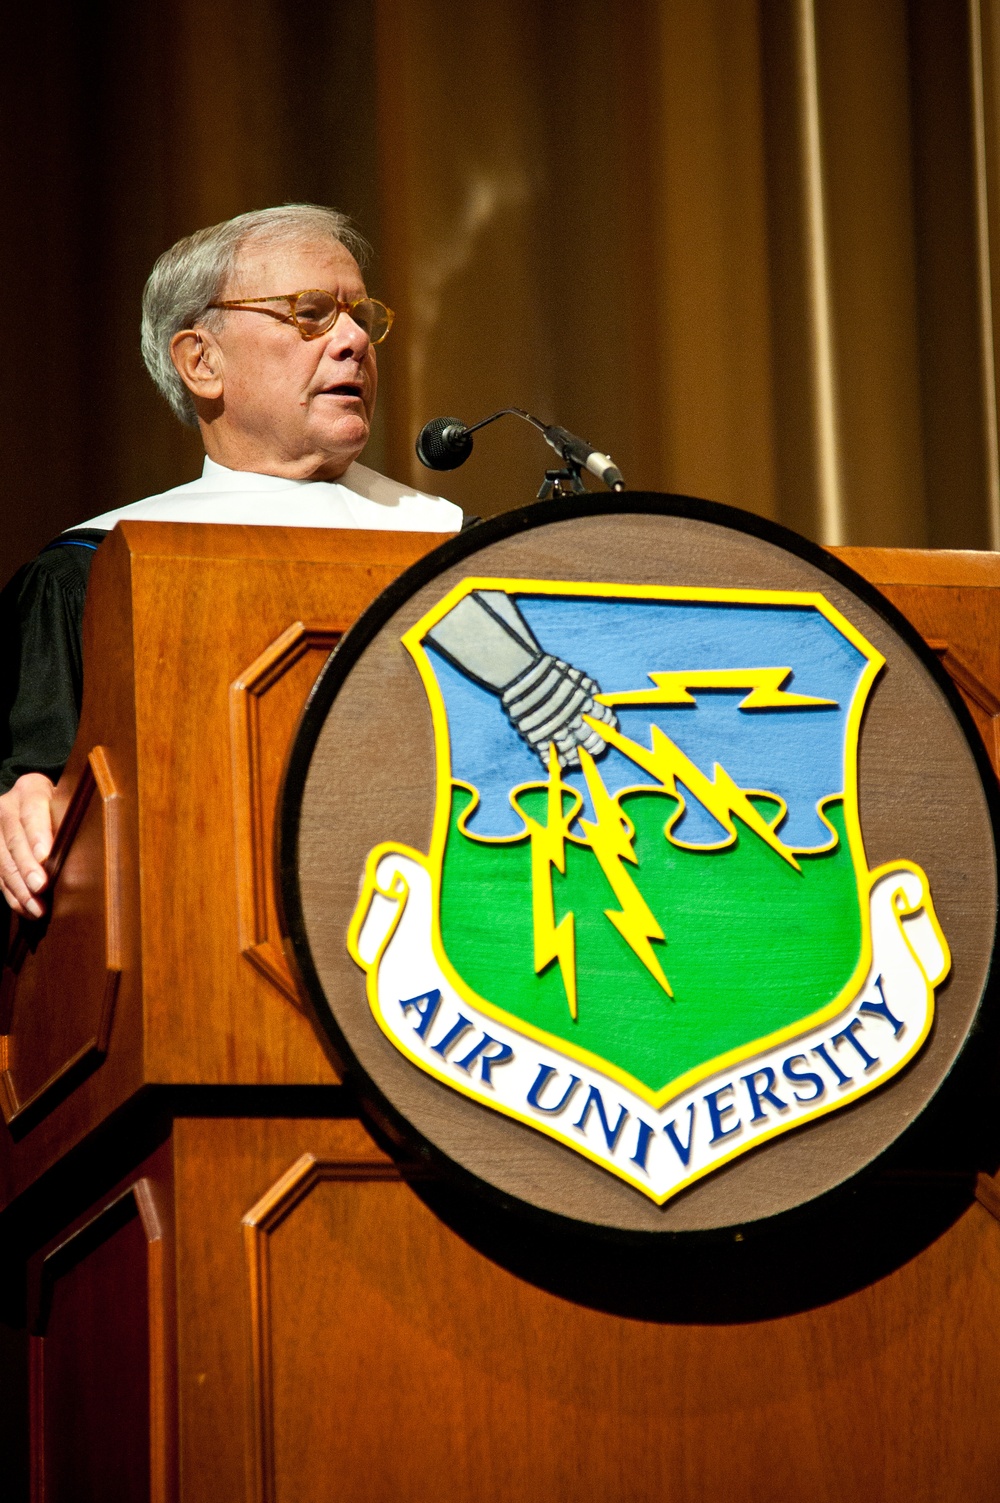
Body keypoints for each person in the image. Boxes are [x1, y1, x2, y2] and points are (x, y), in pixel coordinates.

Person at [0, 204, 462, 920]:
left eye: (359, 315)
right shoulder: (93, 573)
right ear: (201, 361)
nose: (352, 341)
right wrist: (21, 797)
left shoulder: (453, 551)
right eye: (308, 313)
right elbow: (37, 781)